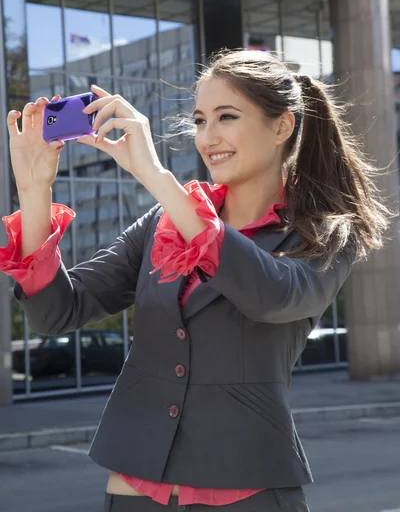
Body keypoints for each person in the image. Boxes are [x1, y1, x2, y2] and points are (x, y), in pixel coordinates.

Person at [0, 49, 392, 512]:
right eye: (200, 120)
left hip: (246, 488)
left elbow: (273, 296)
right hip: (133, 488)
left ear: (282, 126)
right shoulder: (160, 223)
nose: (208, 137)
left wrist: (153, 173)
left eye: (226, 117)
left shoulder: (324, 233)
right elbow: (57, 312)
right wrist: (34, 189)